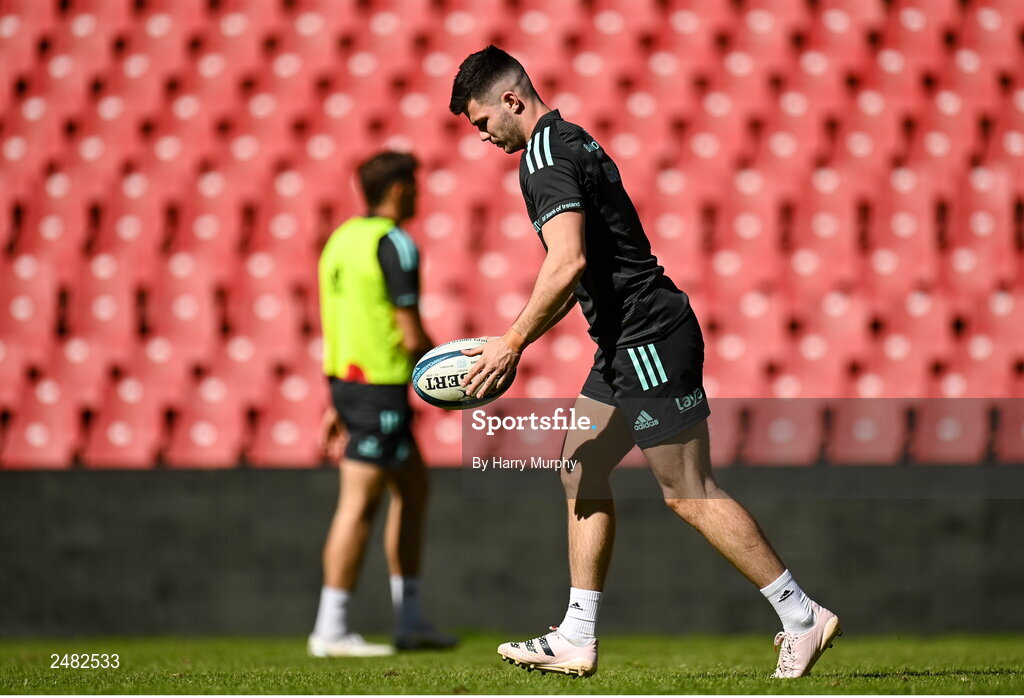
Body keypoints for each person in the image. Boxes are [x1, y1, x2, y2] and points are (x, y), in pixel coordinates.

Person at [448, 46, 839, 679]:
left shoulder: (545, 156)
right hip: (623, 341)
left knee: (689, 494)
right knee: (579, 467)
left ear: (511, 102)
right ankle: (577, 634)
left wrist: (512, 340)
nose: (485, 138)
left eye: (483, 123)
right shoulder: (572, 139)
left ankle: (800, 614)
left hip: (647, 337)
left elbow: (568, 260)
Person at [310, 151, 457, 657]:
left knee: (413, 492)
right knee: (358, 506)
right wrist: (459, 376)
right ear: (397, 189)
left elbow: (342, 322)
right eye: (414, 186)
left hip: (352, 384)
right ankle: (330, 629)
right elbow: (409, 331)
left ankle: (409, 619)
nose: (418, 195)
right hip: (378, 391)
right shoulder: (395, 243)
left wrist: (335, 400)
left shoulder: (339, 242)